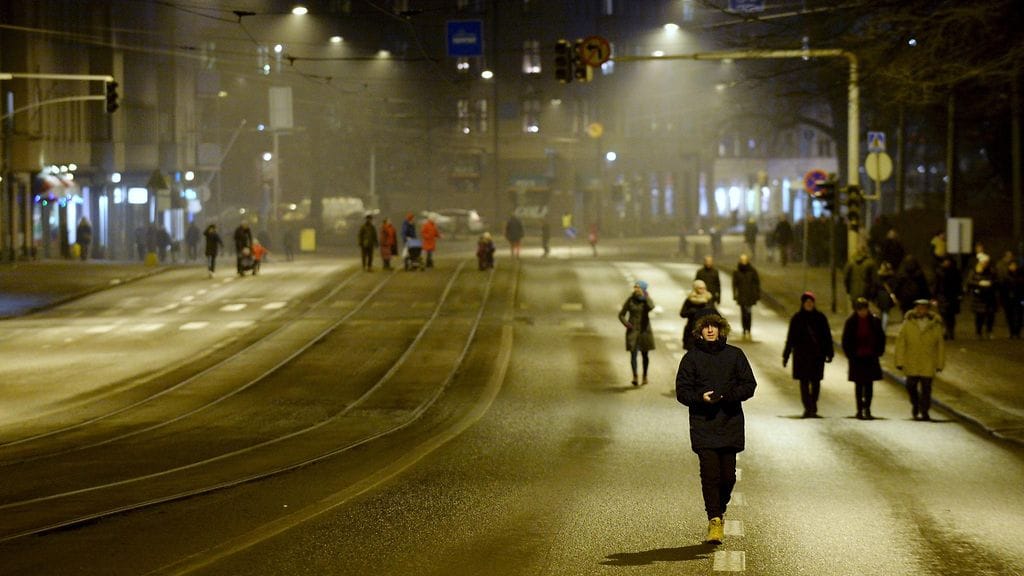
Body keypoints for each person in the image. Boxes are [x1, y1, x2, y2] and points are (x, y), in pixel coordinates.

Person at [675, 313, 757, 545]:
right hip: (703, 424)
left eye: (714, 326)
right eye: (706, 327)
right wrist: (700, 398)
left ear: (721, 330)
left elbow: (749, 385)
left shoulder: (735, 355)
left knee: (728, 478)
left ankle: (719, 509)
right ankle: (714, 520)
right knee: (710, 475)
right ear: (699, 331)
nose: (710, 330)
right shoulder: (691, 358)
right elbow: (682, 391)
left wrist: (727, 396)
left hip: (730, 423)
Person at [782, 291, 834, 418]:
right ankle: (808, 407)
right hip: (802, 356)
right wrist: (786, 355)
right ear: (803, 304)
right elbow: (791, 338)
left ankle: (813, 405)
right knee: (804, 382)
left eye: (811, 302)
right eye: (807, 302)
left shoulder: (820, 318)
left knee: (816, 382)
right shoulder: (797, 319)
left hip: (817, 356)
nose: (809, 304)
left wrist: (829, 352)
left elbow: (827, 337)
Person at [895, 299, 945, 421]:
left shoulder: (935, 325)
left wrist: (940, 363)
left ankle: (924, 411)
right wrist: (899, 361)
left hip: (928, 362)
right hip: (912, 361)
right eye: (918, 307)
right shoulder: (908, 323)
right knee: (910, 386)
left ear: (927, 310)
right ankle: (916, 404)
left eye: (923, 307)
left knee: (926, 388)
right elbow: (901, 343)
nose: (920, 310)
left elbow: (940, 346)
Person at [841, 297, 886, 420]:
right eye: (860, 310)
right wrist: (850, 354)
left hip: (870, 357)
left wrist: (879, 352)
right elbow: (846, 340)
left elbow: (881, 337)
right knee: (859, 385)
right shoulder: (851, 322)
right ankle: (859, 409)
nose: (862, 312)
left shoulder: (874, 321)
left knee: (869, 385)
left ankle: (867, 408)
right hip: (857, 358)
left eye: (864, 309)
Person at [619, 280, 656, 386]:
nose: (636, 289)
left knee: (645, 355)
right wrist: (627, 324)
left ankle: (645, 376)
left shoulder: (646, 300)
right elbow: (621, 314)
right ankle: (635, 376)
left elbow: (651, 307)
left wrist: (646, 297)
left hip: (645, 331)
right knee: (633, 354)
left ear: (643, 289)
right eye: (635, 287)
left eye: (638, 287)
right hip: (633, 331)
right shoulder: (630, 299)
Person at [680, 279, 718, 351]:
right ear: (695, 288)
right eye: (700, 288)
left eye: (704, 288)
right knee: (692, 351)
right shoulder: (690, 299)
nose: (702, 290)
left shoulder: (708, 298)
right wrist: (692, 311)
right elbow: (682, 313)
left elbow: (715, 313)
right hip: (692, 330)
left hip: (705, 329)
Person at [965, 254, 997, 339]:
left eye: (986, 263)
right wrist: (979, 283)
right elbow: (969, 281)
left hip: (989, 296)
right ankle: (978, 332)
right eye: (983, 262)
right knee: (979, 316)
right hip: (978, 297)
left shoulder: (991, 271)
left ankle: (989, 331)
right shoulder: (974, 271)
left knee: (990, 315)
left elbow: (996, 281)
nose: (985, 264)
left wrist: (990, 283)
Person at [932, 256, 962, 340]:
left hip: (952, 296)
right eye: (945, 261)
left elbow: (959, 284)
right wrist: (934, 297)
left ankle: (950, 331)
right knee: (943, 315)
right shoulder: (939, 272)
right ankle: (945, 331)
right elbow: (936, 285)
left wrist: (960, 294)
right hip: (942, 296)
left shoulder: (955, 272)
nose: (947, 263)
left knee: (951, 315)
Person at [732, 253, 761, 340]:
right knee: (743, 313)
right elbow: (734, 284)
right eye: (742, 260)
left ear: (747, 261)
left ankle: (748, 329)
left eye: (745, 260)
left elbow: (757, 283)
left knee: (748, 313)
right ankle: (744, 329)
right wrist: (735, 294)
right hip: (741, 296)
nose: (743, 261)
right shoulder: (737, 272)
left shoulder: (752, 271)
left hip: (750, 296)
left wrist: (757, 294)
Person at [1000, 259, 1024, 339]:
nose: (1013, 267)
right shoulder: (1006, 277)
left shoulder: (1021, 276)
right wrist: (1003, 300)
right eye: (1011, 265)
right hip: (1008, 300)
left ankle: (1017, 332)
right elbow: (1002, 290)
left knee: (1019, 316)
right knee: (1010, 317)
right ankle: (1012, 332)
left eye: (1014, 265)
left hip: (1019, 299)